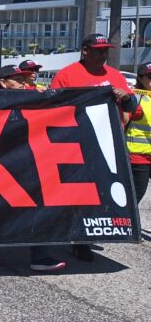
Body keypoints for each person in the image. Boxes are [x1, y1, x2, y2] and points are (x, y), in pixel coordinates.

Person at [50, 33, 139, 263]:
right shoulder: (67, 75)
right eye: (98, 50)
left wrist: (125, 97)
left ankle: (96, 230)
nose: (102, 55)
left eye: (105, 50)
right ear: (85, 51)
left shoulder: (114, 75)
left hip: (109, 142)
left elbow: (131, 104)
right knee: (81, 192)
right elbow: (53, 106)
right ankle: (78, 239)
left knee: (106, 191)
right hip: (77, 143)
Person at [0, 65, 67, 271]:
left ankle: (39, 255)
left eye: (24, 78)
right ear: (3, 83)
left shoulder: (30, 98)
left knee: (36, 204)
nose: (23, 82)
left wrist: (44, 97)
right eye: (17, 79)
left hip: (26, 164)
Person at [127, 62, 151, 205]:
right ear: (140, 78)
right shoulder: (135, 98)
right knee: (136, 195)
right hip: (139, 156)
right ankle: (127, 225)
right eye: (150, 76)